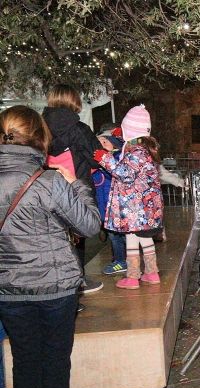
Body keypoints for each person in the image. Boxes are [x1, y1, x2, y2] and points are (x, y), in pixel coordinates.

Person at [0, 105, 100, 388]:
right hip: (56, 289)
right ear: (40, 137)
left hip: (8, 288)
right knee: (56, 364)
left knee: (24, 362)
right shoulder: (50, 182)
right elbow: (90, 225)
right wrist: (77, 185)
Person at [42, 84, 103, 295]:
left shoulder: (39, 127)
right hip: (75, 189)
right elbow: (96, 159)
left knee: (54, 235)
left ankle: (59, 283)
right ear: (74, 101)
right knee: (78, 232)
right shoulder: (79, 129)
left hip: (48, 189)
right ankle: (78, 281)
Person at [95, 105, 163, 290]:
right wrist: (121, 135)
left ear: (131, 132)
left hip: (136, 208)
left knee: (134, 239)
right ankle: (151, 273)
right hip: (142, 209)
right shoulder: (142, 149)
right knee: (141, 239)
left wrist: (105, 159)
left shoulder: (137, 153)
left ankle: (133, 277)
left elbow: (125, 174)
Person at [93, 126, 129, 275]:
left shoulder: (118, 158)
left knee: (122, 237)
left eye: (105, 141)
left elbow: (117, 174)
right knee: (114, 236)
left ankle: (125, 260)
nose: (101, 144)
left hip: (117, 206)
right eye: (99, 142)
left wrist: (104, 162)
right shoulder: (97, 160)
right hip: (104, 206)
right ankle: (120, 259)